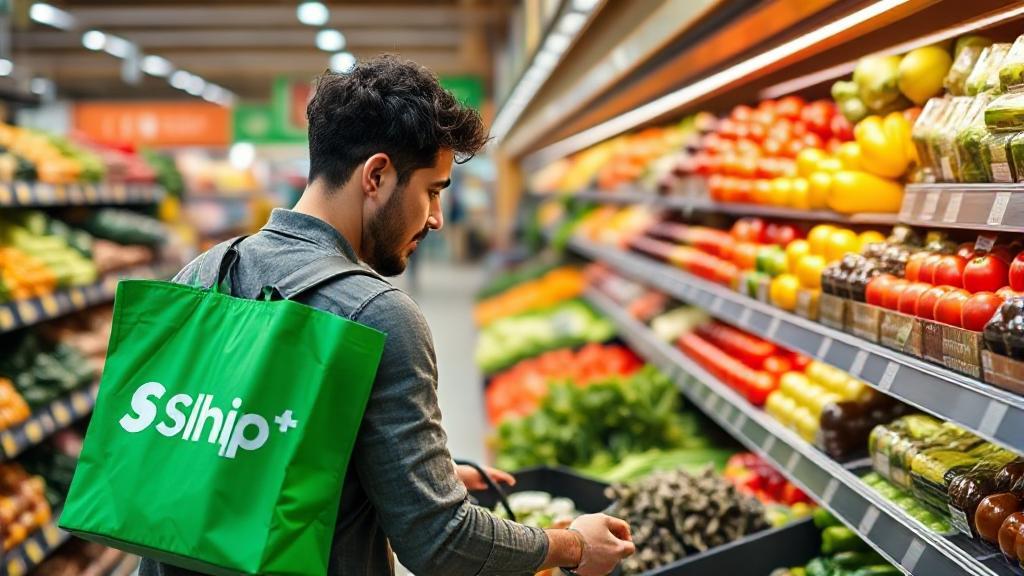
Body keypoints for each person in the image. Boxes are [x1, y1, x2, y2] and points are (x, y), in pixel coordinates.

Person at [140, 55, 634, 576]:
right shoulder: (377, 314)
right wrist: (571, 545)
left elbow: (233, 457)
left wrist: (394, 477)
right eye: (432, 191)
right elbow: (440, 542)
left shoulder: (203, 273)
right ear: (376, 175)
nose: (438, 218)